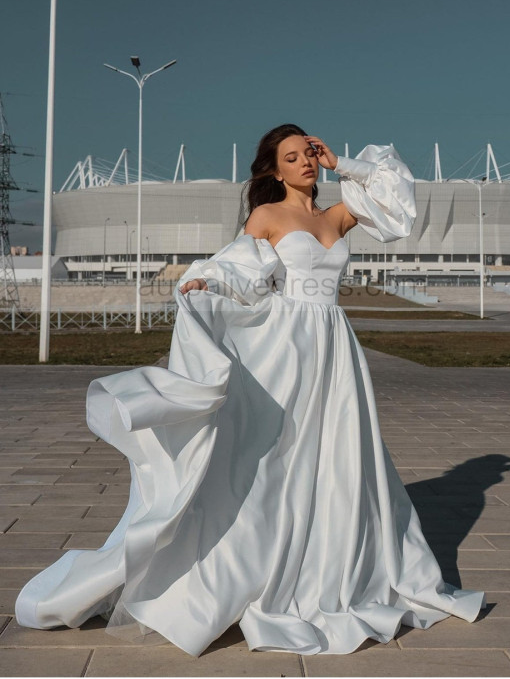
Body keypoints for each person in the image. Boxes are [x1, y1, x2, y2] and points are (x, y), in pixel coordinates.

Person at [15, 124, 485, 656]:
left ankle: (333, 564)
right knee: (274, 458)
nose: (305, 161)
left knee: (339, 457)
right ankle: (250, 560)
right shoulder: (268, 216)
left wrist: (344, 163)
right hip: (286, 349)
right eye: (293, 156)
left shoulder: (337, 215)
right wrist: (206, 281)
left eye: (309, 152)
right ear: (274, 170)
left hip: (336, 351)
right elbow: (241, 270)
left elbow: (397, 198)